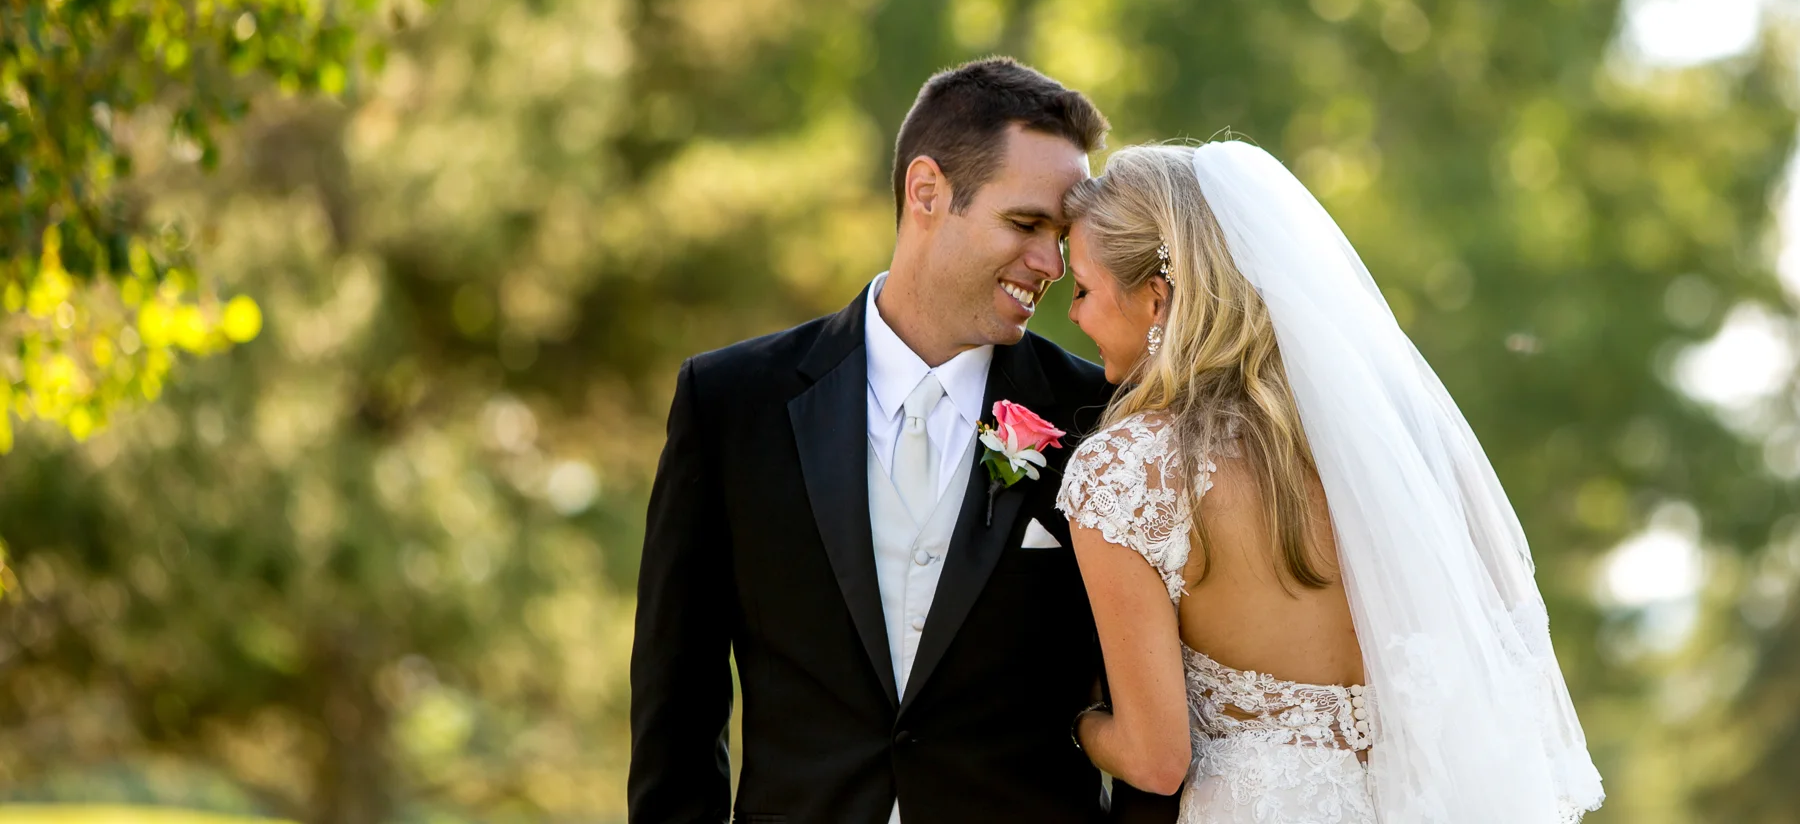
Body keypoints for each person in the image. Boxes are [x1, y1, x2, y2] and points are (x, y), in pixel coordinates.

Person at [628, 58, 1179, 824]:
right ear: (926, 192)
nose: (1052, 265)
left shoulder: (1106, 420)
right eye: (1026, 225)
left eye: (1061, 237)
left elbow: (1149, 713)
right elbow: (677, 702)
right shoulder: (732, 401)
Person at [1055, 140, 1605, 823]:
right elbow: (1505, 671)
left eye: (1083, 290)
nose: (1073, 314)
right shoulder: (1394, 446)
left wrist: (1074, 720)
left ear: (1157, 299)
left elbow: (1155, 760)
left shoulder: (1129, 471)